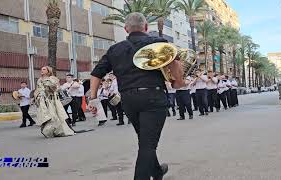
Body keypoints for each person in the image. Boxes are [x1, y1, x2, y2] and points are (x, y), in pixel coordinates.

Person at [88, 12, 185, 180]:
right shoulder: (157, 42)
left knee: (145, 139)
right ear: (146, 27)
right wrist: (178, 82)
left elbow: (96, 74)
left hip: (129, 100)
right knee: (148, 143)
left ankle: (156, 171)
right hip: (153, 97)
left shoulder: (114, 49)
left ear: (126, 29)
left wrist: (93, 98)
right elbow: (174, 62)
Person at [34, 66, 75, 138]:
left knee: (53, 116)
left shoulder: (53, 78)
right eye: (41, 69)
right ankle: (48, 131)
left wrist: (51, 87)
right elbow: (37, 89)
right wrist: (36, 97)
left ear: (48, 71)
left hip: (52, 100)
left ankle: (57, 131)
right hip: (43, 101)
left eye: (44, 69)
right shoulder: (39, 80)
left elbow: (57, 88)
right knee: (46, 115)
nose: (42, 70)